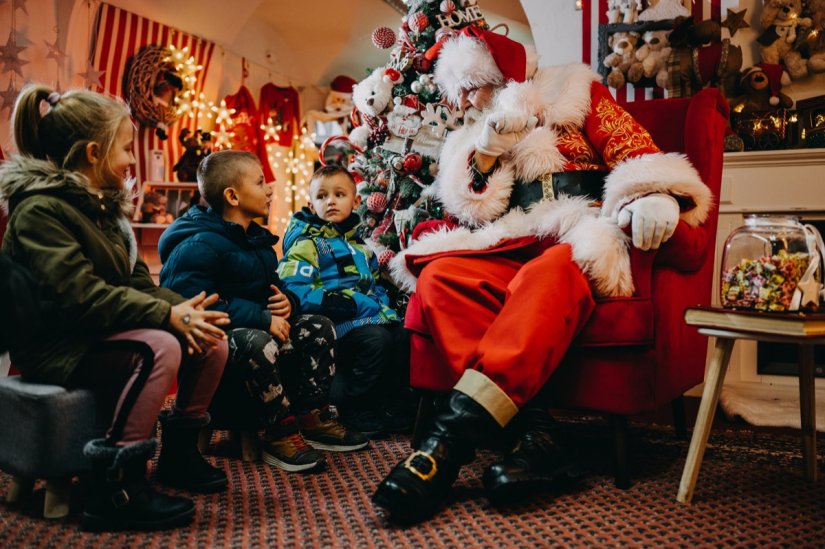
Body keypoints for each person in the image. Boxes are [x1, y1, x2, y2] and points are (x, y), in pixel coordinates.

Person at [372, 27, 714, 522]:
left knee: (551, 271)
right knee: (441, 277)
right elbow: (473, 213)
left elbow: (634, 149)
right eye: (459, 91)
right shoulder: (470, 134)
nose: (465, 99)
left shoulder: (572, 90)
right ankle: (537, 435)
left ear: (497, 73)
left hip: (580, 223)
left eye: (473, 85)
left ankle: (444, 448)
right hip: (512, 234)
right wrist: (485, 155)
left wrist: (653, 193)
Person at [0, 85, 231, 531]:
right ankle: (116, 485)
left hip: (97, 332)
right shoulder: (40, 211)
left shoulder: (105, 212)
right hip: (57, 344)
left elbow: (138, 284)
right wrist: (167, 318)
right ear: (92, 152)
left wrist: (187, 311)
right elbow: (79, 297)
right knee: (158, 348)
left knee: (210, 340)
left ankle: (179, 455)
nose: (131, 159)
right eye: (125, 148)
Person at [159, 150, 368, 473]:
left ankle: (311, 416)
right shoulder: (196, 245)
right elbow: (193, 304)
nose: (269, 189)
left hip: (260, 328)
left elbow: (272, 288)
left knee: (318, 326)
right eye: (260, 182)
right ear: (233, 196)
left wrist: (288, 303)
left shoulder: (256, 241)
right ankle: (279, 432)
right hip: (221, 347)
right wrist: (261, 318)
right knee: (258, 341)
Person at [278, 165, 413, 437]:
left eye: (339, 194)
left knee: (403, 336)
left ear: (356, 201)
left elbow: (373, 285)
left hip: (371, 316)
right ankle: (354, 406)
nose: (330, 201)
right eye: (322, 196)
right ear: (311, 203)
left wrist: (389, 303)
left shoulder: (362, 247)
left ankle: (388, 404)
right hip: (337, 323)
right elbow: (294, 289)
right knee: (376, 340)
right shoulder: (307, 243)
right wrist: (342, 304)